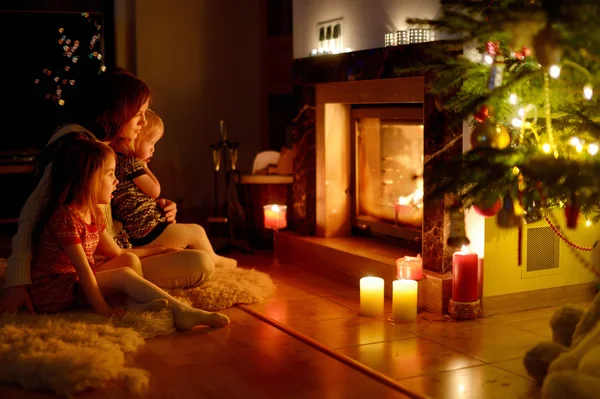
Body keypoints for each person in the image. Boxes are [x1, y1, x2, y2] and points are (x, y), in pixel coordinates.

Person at [0, 69, 216, 315]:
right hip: (79, 266)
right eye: (139, 115)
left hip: (115, 248)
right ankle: (131, 295)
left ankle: (134, 289)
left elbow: (118, 203)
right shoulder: (77, 150)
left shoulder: (107, 144)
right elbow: (30, 215)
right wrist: (17, 282)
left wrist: (157, 204)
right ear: (115, 112)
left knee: (195, 258)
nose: (144, 123)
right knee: (198, 264)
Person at [29, 139, 229, 329]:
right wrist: (102, 308)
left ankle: (134, 304)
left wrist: (160, 250)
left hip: (73, 283)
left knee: (127, 260)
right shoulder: (66, 218)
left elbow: (117, 253)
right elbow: (83, 270)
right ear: (88, 179)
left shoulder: (94, 212)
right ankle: (182, 312)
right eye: (110, 174)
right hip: (53, 291)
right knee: (123, 275)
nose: (116, 181)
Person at [111, 110, 237, 269]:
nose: (153, 149)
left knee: (189, 238)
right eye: (151, 142)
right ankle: (214, 259)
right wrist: (144, 166)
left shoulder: (119, 163)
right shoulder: (131, 165)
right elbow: (155, 190)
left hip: (143, 230)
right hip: (147, 232)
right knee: (196, 231)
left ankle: (209, 259)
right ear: (134, 139)